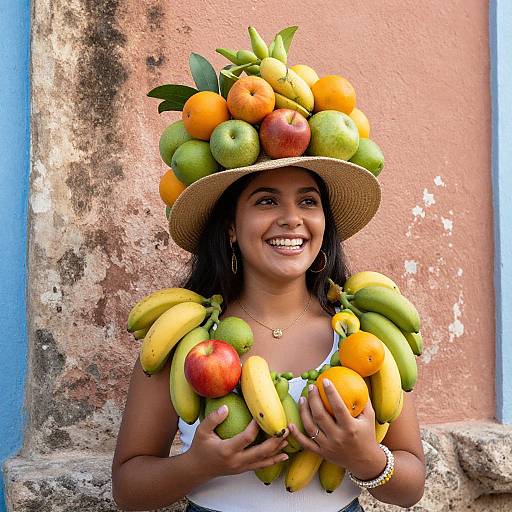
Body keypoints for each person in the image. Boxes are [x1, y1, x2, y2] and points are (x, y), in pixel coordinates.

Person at [112, 155, 426, 512]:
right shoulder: (186, 337)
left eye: (308, 201)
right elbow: (127, 490)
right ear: (231, 226)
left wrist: (368, 458)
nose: (292, 218)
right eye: (266, 200)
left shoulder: (363, 336)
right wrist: (197, 466)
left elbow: (411, 489)